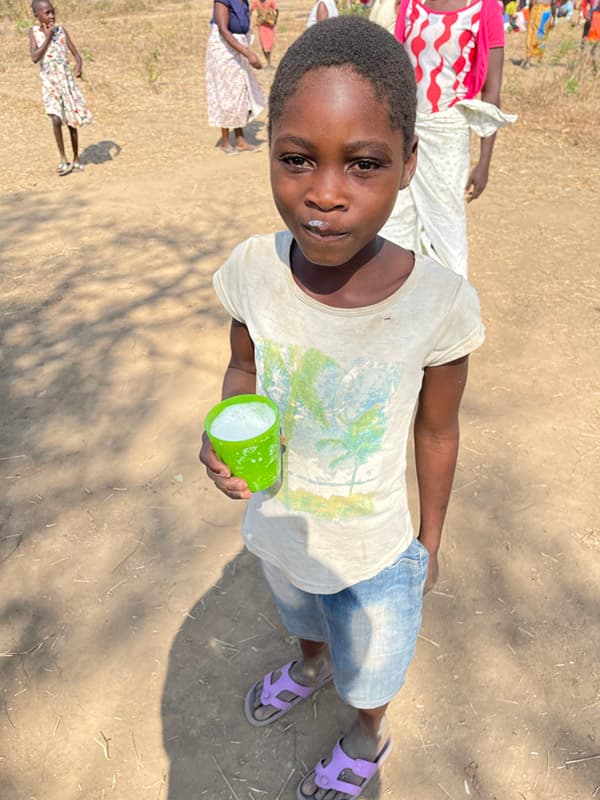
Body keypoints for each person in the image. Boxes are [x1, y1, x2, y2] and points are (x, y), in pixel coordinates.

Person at [200, 17, 485, 800]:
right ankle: (308, 665)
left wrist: (429, 540)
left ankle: (366, 732)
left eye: (364, 164)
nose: (325, 194)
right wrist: (226, 427)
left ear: (408, 165)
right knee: (304, 615)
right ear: (268, 152)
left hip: (378, 552)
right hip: (281, 520)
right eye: (297, 159)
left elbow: (439, 427)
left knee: (374, 666)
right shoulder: (253, 270)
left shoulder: (439, 304)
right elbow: (241, 366)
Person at [379, 0, 516, 277]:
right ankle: (401, 298)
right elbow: (395, 68)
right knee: (394, 221)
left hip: (447, 133)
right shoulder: (412, 4)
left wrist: (484, 162)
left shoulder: (484, 8)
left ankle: (454, 303)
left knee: (445, 225)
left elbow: (492, 91)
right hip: (405, 127)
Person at [29, 0, 93, 177]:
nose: (51, 16)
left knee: (71, 121)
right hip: (49, 83)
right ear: (37, 16)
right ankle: (63, 158)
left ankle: (76, 158)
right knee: (55, 119)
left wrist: (79, 66)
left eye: (52, 12)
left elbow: (77, 54)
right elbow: (35, 57)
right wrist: (48, 36)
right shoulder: (34, 33)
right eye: (46, 13)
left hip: (66, 81)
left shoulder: (61, 31)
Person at [206, 0, 266, 154]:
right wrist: (248, 54)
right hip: (223, 50)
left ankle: (240, 140)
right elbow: (223, 30)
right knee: (226, 93)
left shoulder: (244, 1)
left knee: (241, 92)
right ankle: (225, 141)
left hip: (238, 47)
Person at [522, 0, 557, 67]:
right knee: (530, 35)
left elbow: (554, 4)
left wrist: (554, 18)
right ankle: (528, 58)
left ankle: (537, 58)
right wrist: (529, 14)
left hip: (545, 11)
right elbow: (530, 3)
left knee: (540, 35)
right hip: (534, 10)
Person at [251, 0, 278, 69]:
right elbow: (251, 10)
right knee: (264, 44)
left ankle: (269, 62)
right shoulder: (256, 1)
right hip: (261, 26)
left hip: (269, 26)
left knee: (270, 44)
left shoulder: (270, 1)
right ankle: (268, 62)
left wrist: (275, 21)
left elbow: (276, 10)